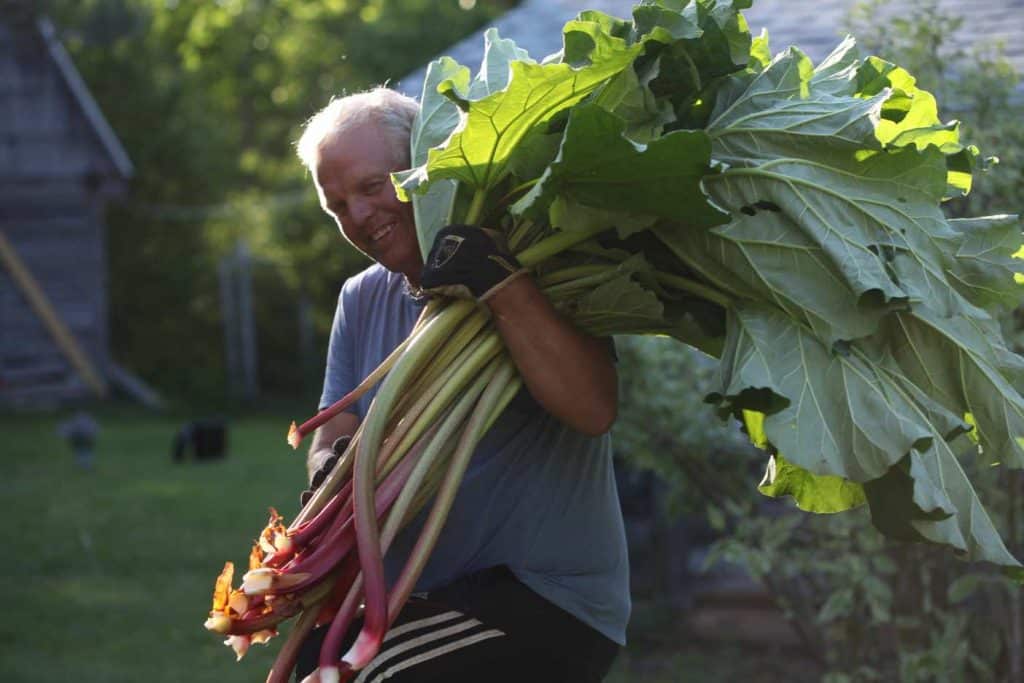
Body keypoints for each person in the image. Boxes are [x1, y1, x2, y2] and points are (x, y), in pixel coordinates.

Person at [293, 87, 630, 682]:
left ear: (428, 166)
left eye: (373, 187)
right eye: (338, 205)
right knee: (308, 667)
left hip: (544, 597)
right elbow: (334, 431)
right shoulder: (362, 297)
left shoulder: (543, 268)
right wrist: (330, 468)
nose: (360, 217)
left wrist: (503, 286)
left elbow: (594, 410)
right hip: (422, 596)